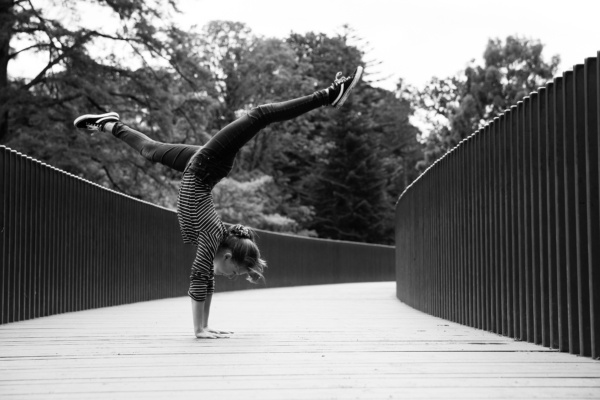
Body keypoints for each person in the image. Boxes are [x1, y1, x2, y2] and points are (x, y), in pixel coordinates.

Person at [73, 66, 363, 338]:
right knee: (260, 114)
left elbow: (205, 280)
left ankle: (109, 124)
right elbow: (199, 277)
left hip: (204, 168)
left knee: (151, 150)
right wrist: (198, 330)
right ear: (227, 257)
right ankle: (329, 94)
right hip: (208, 164)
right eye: (235, 271)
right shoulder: (213, 236)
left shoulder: (214, 239)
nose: (231, 276)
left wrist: (205, 327)